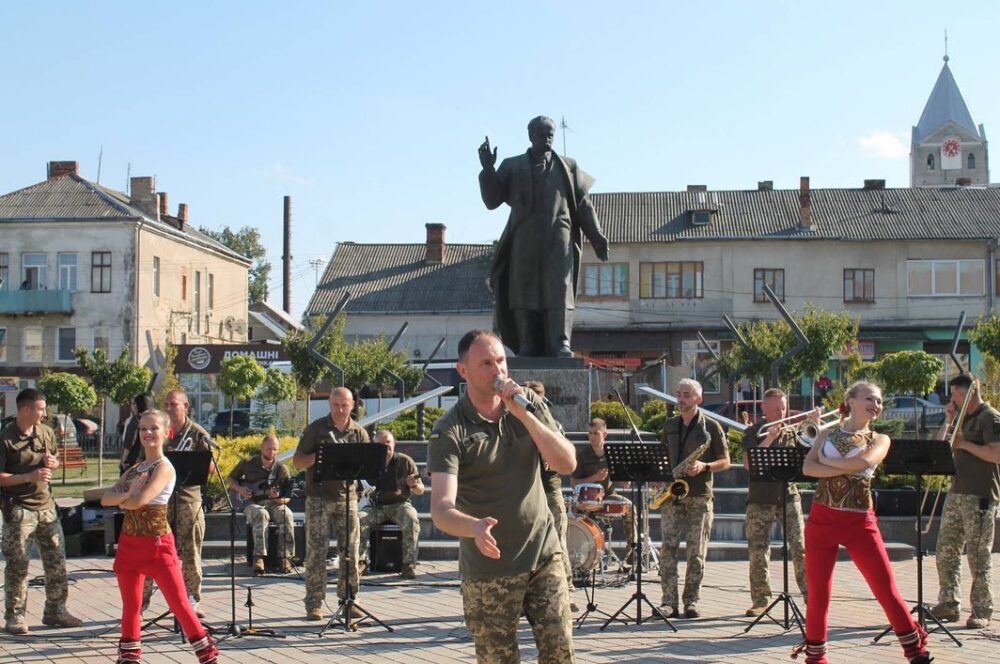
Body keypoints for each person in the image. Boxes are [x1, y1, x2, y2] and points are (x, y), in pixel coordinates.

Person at [429, 329, 576, 663]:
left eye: (501, 361)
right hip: (490, 570)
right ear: (463, 370)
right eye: (486, 363)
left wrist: (526, 415)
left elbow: (567, 463)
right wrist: (474, 528)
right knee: (498, 658)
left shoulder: (528, 405)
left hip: (543, 553)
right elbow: (440, 508)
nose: (498, 371)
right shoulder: (450, 429)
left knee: (560, 651)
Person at [800, 381, 931, 664]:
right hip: (821, 519)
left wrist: (826, 462)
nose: (877, 405)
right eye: (870, 398)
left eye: (880, 401)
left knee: (885, 588)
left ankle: (915, 651)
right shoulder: (825, 432)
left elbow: (863, 463)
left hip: (860, 522)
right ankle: (815, 658)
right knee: (819, 593)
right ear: (851, 401)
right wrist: (828, 463)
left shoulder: (879, 439)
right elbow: (807, 468)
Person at [478, 116, 610, 357]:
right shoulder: (512, 166)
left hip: (558, 236)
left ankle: (561, 342)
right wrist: (488, 169)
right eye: (542, 134)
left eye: (551, 135)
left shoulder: (568, 166)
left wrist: (597, 234)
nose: (547, 139)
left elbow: (583, 204)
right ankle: (528, 342)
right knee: (523, 289)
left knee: (559, 288)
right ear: (531, 136)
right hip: (523, 238)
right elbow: (492, 201)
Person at [102, 409, 218, 664]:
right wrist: (126, 496)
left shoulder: (165, 468)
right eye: (143, 428)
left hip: (157, 547)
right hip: (130, 546)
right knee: (131, 608)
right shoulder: (136, 468)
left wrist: (125, 498)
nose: (148, 433)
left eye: (154, 428)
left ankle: (208, 656)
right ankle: (129, 658)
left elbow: (139, 501)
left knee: (180, 605)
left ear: (167, 433)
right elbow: (106, 498)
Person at [0, 388, 82, 635]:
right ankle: (15, 616)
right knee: (18, 565)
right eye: (40, 409)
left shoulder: (45, 432)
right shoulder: (5, 437)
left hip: (46, 506)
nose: (45, 413)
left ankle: (56, 611)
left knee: (56, 561)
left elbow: (54, 456)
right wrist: (29, 476)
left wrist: (53, 463)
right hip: (19, 508)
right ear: (25, 409)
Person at [293, 386, 370, 621]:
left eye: (344, 405)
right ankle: (314, 603)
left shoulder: (359, 433)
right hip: (318, 498)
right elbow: (297, 461)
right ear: (329, 404)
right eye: (336, 405)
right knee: (316, 553)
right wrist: (320, 457)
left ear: (352, 405)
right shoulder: (316, 429)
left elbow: (368, 466)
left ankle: (350, 600)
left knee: (351, 551)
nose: (340, 409)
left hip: (348, 499)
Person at [657, 378, 730, 619]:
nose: (681, 399)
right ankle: (668, 602)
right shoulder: (669, 425)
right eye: (678, 394)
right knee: (667, 548)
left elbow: (725, 461)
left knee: (696, 551)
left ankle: (690, 601)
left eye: (686, 395)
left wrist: (704, 465)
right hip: (672, 494)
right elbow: (661, 456)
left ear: (698, 399)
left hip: (699, 494)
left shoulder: (711, 427)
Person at [931, 373, 1000, 629]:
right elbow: (940, 447)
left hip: (980, 495)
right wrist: (948, 421)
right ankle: (949, 602)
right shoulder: (961, 418)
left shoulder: (990, 417)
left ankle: (982, 609)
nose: (952, 399)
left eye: (955, 394)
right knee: (946, 551)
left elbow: (997, 453)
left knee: (978, 555)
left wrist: (965, 444)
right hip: (957, 493)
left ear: (970, 392)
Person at [141, 389, 215, 619]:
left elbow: (211, 467)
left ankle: (192, 599)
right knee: (151, 550)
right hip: (160, 500)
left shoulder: (198, 434)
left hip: (187, 500)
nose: (169, 408)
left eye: (174, 404)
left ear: (186, 406)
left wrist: (195, 465)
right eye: (166, 404)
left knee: (191, 551)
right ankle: (141, 603)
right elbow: (142, 460)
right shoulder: (159, 431)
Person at [740, 388, 807, 617]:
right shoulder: (753, 432)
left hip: (788, 495)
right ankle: (761, 600)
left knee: (800, 547)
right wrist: (769, 438)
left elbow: (809, 456)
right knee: (758, 550)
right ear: (764, 409)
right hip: (760, 499)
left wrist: (813, 429)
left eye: (783, 408)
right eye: (776, 408)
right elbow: (749, 464)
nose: (781, 412)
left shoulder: (793, 432)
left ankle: (811, 597)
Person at [525, 381, 576, 608]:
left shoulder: (554, 426)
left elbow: (562, 458)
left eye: (536, 398)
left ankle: (567, 591)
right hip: (526, 492)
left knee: (558, 540)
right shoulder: (517, 427)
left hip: (550, 489)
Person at [358, 429, 423, 580]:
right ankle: (361, 562)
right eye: (381, 444)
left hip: (400, 504)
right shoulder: (369, 463)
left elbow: (420, 490)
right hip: (375, 505)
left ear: (394, 444)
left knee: (412, 519)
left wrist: (413, 485)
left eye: (388, 442)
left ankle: (408, 565)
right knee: (358, 520)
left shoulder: (405, 461)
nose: (385, 446)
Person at [570, 417, 636, 564]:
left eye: (596, 433)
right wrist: (594, 477)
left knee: (630, 507)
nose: (592, 437)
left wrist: (625, 481)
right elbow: (573, 483)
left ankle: (632, 551)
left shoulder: (612, 453)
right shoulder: (582, 455)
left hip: (608, 496)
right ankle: (581, 557)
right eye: (590, 433)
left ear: (604, 434)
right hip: (586, 499)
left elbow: (622, 477)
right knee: (572, 514)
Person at [228, 433, 295, 575]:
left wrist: (277, 498)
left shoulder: (282, 469)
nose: (272, 452)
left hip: (275, 504)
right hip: (253, 503)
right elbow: (231, 478)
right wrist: (240, 489)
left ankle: (285, 557)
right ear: (261, 448)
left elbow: (287, 498)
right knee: (261, 514)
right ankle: (258, 558)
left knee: (286, 514)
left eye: (275, 449)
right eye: (269, 449)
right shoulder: (248, 463)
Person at [120, 394, 156, 475]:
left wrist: (124, 458)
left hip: (135, 459)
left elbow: (129, 441)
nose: (133, 406)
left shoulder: (136, 420)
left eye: (134, 404)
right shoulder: (154, 419)